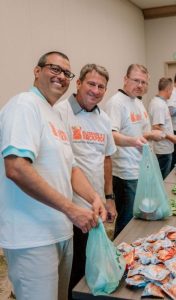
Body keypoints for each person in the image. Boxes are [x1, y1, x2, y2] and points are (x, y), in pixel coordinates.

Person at [0, 51, 107, 300]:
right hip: (32, 237)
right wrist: (71, 209)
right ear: (37, 71)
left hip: (59, 230)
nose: (61, 77)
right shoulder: (24, 105)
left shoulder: (55, 115)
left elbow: (70, 168)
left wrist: (93, 197)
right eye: (54, 69)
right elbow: (16, 167)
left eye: (66, 73)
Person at [55, 64, 117, 299]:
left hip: (94, 203)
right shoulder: (60, 113)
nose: (96, 90)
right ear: (78, 83)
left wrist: (108, 198)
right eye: (91, 83)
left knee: (88, 261)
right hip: (67, 206)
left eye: (101, 86)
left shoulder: (104, 119)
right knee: (70, 266)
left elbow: (107, 158)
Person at [104, 64, 163, 238]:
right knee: (127, 219)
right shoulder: (116, 103)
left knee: (139, 215)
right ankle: (121, 251)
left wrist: (151, 135)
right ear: (125, 79)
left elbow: (138, 133)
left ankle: (134, 249)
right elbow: (111, 136)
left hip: (140, 169)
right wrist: (133, 141)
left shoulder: (138, 102)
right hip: (125, 173)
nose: (140, 85)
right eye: (136, 80)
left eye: (144, 82)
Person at [148, 77, 176, 179]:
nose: (172, 93)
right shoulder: (159, 105)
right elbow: (156, 127)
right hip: (162, 150)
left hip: (165, 147)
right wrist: (171, 138)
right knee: (163, 178)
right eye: (171, 90)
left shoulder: (161, 103)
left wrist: (172, 136)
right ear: (168, 90)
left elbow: (163, 126)